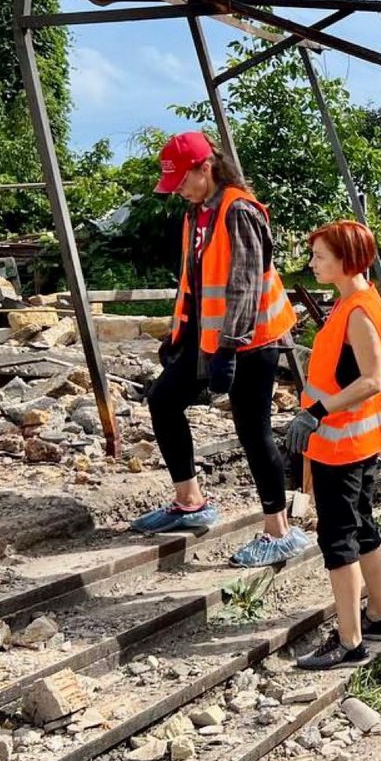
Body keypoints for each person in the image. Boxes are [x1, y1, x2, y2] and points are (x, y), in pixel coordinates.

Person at [132, 131, 305, 569]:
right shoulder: (197, 213)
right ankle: (190, 502)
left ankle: (280, 531)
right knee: (163, 400)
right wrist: (180, 337)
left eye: (181, 180)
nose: (178, 190)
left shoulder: (238, 211)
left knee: (252, 430)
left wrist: (229, 348)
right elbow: (195, 281)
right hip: (209, 340)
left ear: (205, 168)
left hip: (252, 340)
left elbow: (245, 284)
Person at [285, 220, 381, 669]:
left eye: (320, 257)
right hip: (358, 440)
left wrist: (315, 412)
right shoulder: (356, 301)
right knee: (362, 526)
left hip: (342, 447)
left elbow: (371, 380)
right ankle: (378, 616)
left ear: (346, 261)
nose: (312, 263)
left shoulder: (358, 311)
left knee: (339, 538)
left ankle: (350, 641)